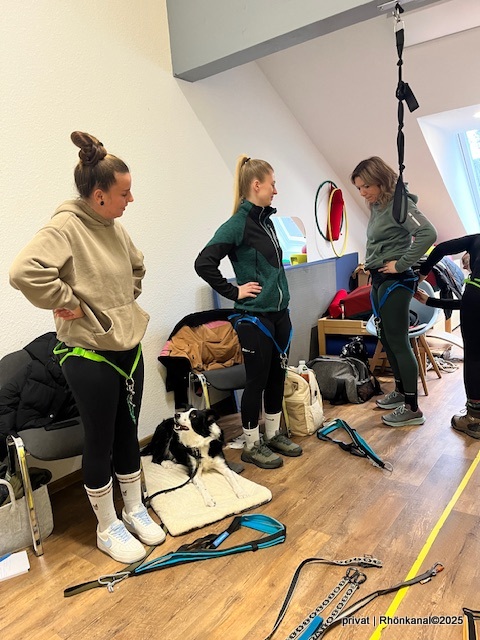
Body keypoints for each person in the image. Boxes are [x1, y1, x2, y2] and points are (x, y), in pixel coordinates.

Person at [9, 131, 165, 563]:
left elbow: (137, 265)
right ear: (99, 196)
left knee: (127, 432)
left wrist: (123, 302)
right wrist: (67, 301)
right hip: (88, 355)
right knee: (99, 439)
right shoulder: (65, 227)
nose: (130, 199)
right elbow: (23, 271)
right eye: (124, 193)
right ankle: (107, 526)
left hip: (127, 348)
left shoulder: (114, 227)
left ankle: (132, 509)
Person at [194, 155, 302, 469]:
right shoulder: (237, 224)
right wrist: (234, 291)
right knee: (256, 381)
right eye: (272, 184)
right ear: (256, 185)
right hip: (255, 318)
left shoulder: (266, 221)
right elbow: (203, 263)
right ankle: (252, 445)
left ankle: (273, 435)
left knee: (277, 376)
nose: (275, 190)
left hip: (279, 314)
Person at [350, 156, 437, 427]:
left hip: (396, 281)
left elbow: (428, 233)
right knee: (386, 338)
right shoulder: (378, 205)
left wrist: (400, 264)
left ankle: (412, 408)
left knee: (398, 342)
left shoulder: (401, 205)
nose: (362, 193)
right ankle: (400, 392)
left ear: (380, 180)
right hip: (379, 278)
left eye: (366, 186)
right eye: (359, 188)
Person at [417, 237, 480, 439]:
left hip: (475, 298)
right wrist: (430, 301)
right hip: (474, 300)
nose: (465, 266)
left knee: (474, 358)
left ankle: (474, 419)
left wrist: (422, 274)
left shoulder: (477, 240)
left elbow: (441, 248)